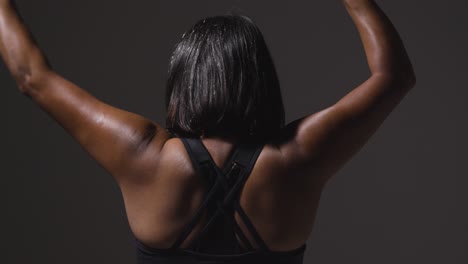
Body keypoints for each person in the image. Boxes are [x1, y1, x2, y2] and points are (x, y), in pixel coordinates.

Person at [0, 0, 416, 263]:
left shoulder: (143, 154)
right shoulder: (297, 158)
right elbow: (394, 77)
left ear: (183, 81)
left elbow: (32, 76)